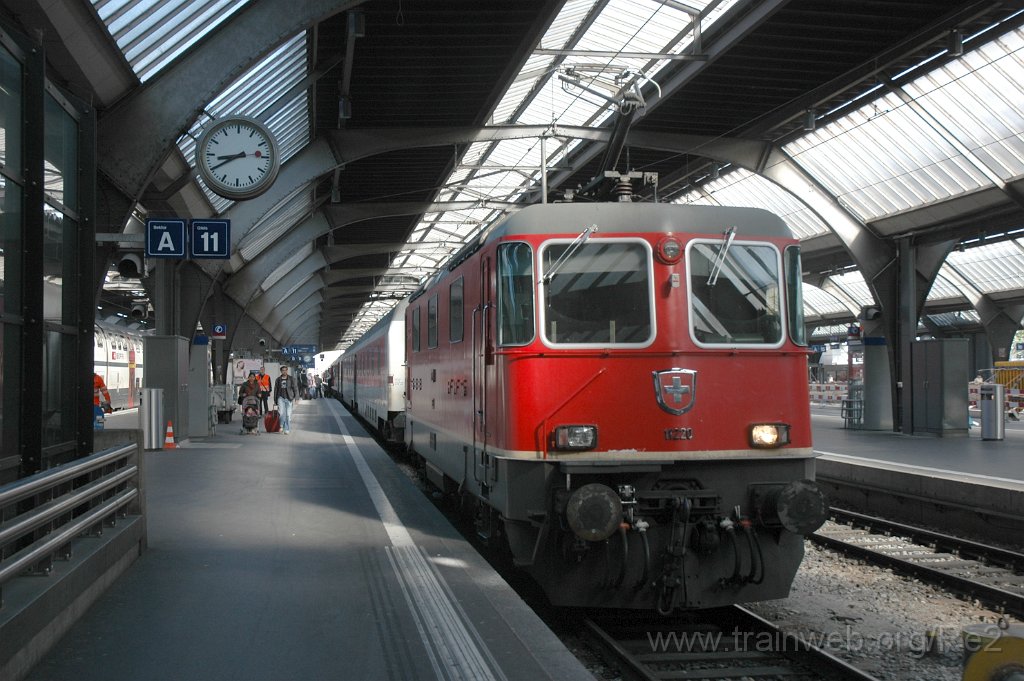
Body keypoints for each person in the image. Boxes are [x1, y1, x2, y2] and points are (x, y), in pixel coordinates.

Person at [273, 365, 299, 434]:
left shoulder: (291, 378)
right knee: (281, 413)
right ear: (281, 371)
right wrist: (275, 400)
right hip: (280, 398)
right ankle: (281, 425)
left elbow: (295, 388)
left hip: (289, 398)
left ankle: (287, 429)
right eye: (283, 370)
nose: (284, 371)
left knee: (288, 415)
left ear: (287, 371)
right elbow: (276, 390)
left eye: (285, 370)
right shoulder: (278, 379)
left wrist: (296, 398)